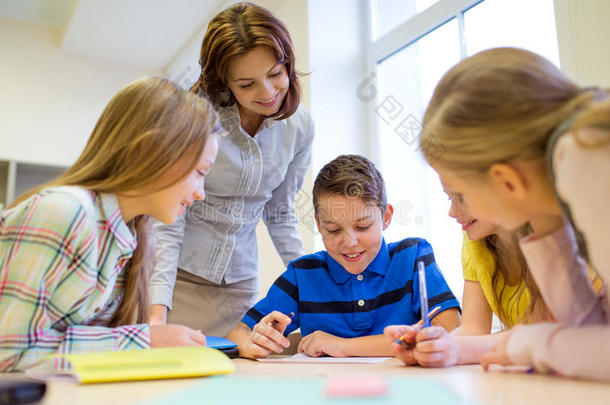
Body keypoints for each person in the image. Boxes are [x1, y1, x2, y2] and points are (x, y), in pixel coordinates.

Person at [0, 77, 219, 371]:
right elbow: (8, 350)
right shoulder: (64, 212)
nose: (200, 193)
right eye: (200, 171)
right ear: (149, 151)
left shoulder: (134, 237)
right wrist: (144, 341)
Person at [418, 47, 608, 380]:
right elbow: (584, 328)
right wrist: (546, 224)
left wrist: (528, 343)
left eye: (462, 193)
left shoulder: (588, 155)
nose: (458, 208)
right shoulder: (557, 186)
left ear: (506, 180)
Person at [149, 2, 315, 336]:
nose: (267, 93)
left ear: (289, 63)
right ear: (224, 80)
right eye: (246, 84)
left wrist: (311, 285)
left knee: (235, 374)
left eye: (274, 74)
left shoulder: (300, 127)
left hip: (239, 284)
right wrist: (156, 315)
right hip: (176, 279)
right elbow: (168, 224)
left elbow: (280, 212)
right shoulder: (195, 119)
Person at [226, 155, 461, 359]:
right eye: (334, 230)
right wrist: (254, 342)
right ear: (318, 224)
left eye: (363, 227)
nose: (350, 242)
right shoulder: (303, 274)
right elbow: (237, 334)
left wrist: (343, 346)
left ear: (386, 217)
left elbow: (451, 334)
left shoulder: (412, 257)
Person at [385, 183, 550, 367]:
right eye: (449, 198)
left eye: (462, 197)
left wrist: (451, 348)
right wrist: (433, 346)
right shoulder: (475, 240)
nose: (452, 211)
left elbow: (541, 333)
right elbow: (474, 328)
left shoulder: (551, 233)